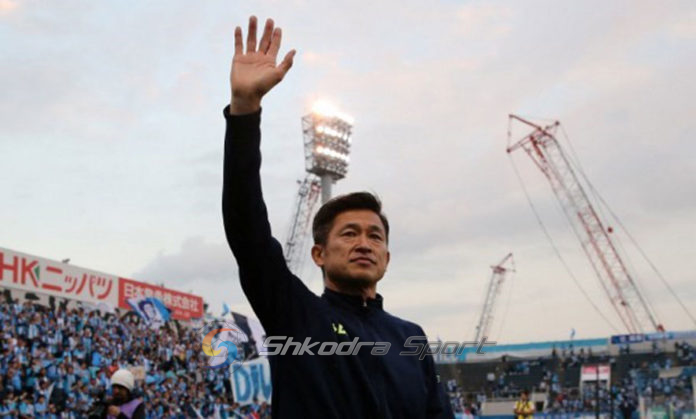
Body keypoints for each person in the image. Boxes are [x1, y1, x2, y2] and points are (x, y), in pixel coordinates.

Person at [223, 15, 453, 418]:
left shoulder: (410, 338)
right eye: (349, 233)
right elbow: (248, 231)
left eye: (375, 236)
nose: (364, 243)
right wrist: (245, 112)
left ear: (387, 258)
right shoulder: (295, 316)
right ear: (319, 254)